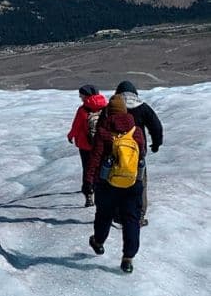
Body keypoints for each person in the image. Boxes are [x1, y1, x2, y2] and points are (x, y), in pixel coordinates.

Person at [84, 94, 145, 274]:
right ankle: (128, 259)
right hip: (133, 182)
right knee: (131, 219)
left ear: (109, 112)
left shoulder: (104, 131)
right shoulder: (137, 131)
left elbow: (95, 159)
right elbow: (141, 155)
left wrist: (88, 182)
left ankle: (99, 242)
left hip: (107, 183)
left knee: (104, 215)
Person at [114, 81, 162, 226]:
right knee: (140, 183)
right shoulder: (143, 107)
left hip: (116, 152)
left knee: (117, 182)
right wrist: (156, 144)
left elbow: (101, 127)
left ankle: (119, 214)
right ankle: (139, 216)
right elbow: (156, 126)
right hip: (138, 153)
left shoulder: (114, 107)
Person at [67, 84, 107, 206]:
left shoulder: (83, 109)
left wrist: (70, 136)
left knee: (87, 168)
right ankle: (100, 189)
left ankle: (89, 194)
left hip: (85, 145)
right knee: (100, 167)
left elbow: (76, 126)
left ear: (86, 95)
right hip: (101, 144)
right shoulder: (105, 107)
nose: (80, 97)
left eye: (81, 95)